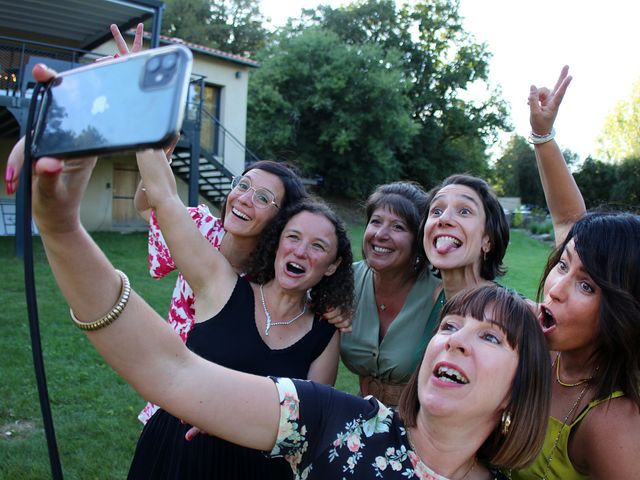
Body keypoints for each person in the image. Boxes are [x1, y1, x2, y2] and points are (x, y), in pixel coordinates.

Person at [9, 135, 554, 476]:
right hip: (182, 451)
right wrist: (60, 227)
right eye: (451, 326)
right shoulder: (339, 427)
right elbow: (171, 370)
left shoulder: (330, 330)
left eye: (487, 337)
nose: (455, 336)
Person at [506, 68, 640, 479]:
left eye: (586, 285)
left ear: (623, 309)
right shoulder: (547, 352)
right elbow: (568, 221)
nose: (556, 290)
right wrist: (542, 135)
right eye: (562, 266)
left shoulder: (610, 422)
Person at [340, 182, 440, 406]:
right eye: (375, 222)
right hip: (363, 413)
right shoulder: (344, 281)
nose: (380, 234)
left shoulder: (440, 293)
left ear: (419, 239)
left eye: (398, 227)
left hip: (422, 421)